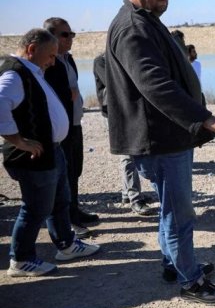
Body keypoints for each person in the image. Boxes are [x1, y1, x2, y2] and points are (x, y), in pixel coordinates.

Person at [104, 0, 215, 305]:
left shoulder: (145, 19)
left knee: (171, 210)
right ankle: (191, 281)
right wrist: (206, 118)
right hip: (159, 139)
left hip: (169, 136)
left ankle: (173, 263)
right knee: (179, 214)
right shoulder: (133, 27)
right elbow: (155, 85)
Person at [1, 28, 100, 277]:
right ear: (32, 49)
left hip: (50, 151)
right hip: (32, 157)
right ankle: (21, 260)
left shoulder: (32, 71)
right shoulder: (14, 74)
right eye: (51, 55)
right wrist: (18, 140)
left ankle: (66, 245)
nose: (53, 61)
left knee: (59, 201)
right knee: (35, 208)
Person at [43, 17, 99, 239]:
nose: (70, 39)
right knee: (63, 175)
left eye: (71, 34)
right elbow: (50, 94)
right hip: (61, 129)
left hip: (74, 124)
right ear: (51, 36)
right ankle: (66, 221)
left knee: (74, 170)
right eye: (65, 34)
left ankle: (74, 212)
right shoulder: (48, 63)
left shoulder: (68, 59)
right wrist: (69, 95)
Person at [93, 52, 156, 216]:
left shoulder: (123, 58)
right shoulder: (101, 61)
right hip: (115, 114)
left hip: (129, 111)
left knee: (128, 154)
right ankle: (136, 199)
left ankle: (127, 194)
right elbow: (116, 84)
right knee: (127, 155)